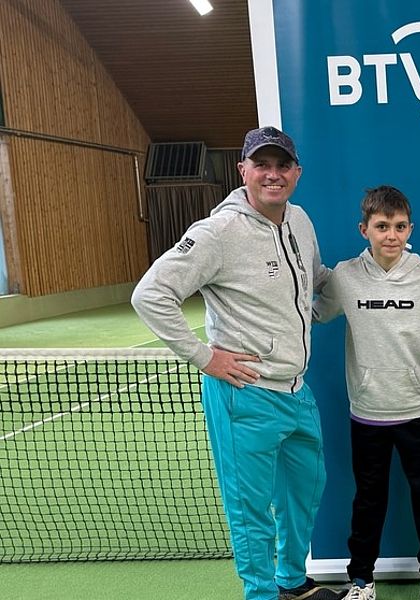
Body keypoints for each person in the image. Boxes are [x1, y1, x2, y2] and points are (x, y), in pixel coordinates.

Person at [131, 126, 340, 600]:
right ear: (243, 170)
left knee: (304, 494)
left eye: (282, 165)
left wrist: (361, 282)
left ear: (297, 172)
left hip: (296, 390)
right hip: (244, 394)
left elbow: (315, 281)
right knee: (250, 511)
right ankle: (261, 594)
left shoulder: (300, 220)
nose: (272, 174)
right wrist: (205, 357)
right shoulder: (217, 232)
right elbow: (150, 295)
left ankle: (292, 582)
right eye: (261, 165)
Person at [312, 185, 420, 600]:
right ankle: (362, 580)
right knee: (368, 500)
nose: (391, 235)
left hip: (419, 409)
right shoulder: (345, 276)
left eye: (399, 226)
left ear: (410, 229)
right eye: (381, 226)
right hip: (368, 412)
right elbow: (314, 314)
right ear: (365, 229)